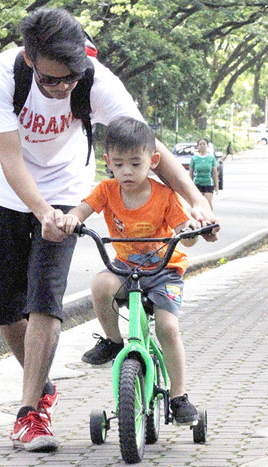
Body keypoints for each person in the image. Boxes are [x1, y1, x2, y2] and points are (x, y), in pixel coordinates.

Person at [0, 8, 218, 452]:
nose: (64, 86)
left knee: (44, 299)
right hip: (2, 192)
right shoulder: (0, 75)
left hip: (68, 193)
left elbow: (149, 146)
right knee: (6, 309)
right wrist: (40, 210)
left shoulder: (95, 79)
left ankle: (30, 414)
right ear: (30, 59)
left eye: (71, 78)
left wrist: (196, 201)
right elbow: (10, 159)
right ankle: (41, 385)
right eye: (52, 79)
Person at [62, 117, 202, 425]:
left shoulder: (165, 195)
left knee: (167, 328)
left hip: (165, 270)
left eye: (135, 164)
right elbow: (81, 210)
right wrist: (71, 219)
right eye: (119, 163)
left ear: (153, 162)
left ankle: (179, 396)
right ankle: (114, 341)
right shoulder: (107, 190)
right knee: (100, 284)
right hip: (126, 268)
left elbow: (185, 233)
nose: (126, 171)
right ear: (107, 162)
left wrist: (190, 230)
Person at [188, 138, 219, 209]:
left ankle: (210, 218)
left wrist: (216, 185)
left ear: (207, 145)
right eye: (200, 144)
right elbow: (191, 173)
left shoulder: (211, 158)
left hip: (208, 183)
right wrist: (190, 185)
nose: (202, 146)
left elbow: (214, 173)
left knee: (208, 203)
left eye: (204, 144)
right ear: (198, 146)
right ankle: (200, 219)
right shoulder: (194, 158)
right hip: (197, 183)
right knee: (199, 204)